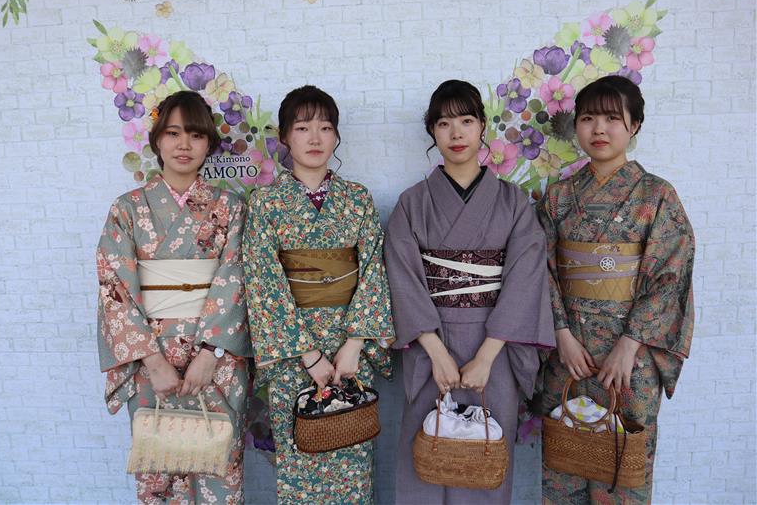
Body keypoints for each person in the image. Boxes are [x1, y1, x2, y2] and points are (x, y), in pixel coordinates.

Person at [384, 79, 555, 504]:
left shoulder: (513, 203)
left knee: (484, 456)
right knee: (426, 454)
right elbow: (402, 277)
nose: (456, 133)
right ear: (432, 132)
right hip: (431, 344)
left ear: (482, 126)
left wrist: (486, 356)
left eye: (465, 121)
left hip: (495, 346)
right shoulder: (412, 203)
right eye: (443, 123)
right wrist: (436, 353)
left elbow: (526, 277)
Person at [536, 75, 695, 504]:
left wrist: (630, 343)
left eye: (611, 118)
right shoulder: (559, 197)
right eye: (588, 118)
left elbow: (670, 276)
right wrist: (561, 334)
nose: (599, 129)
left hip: (630, 360)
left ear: (635, 125)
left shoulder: (657, 196)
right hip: (569, 356)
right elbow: (540, 269)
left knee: (624, 472)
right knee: (564, 465)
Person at [242, 85, 394, 504]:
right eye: (302, 128)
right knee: (300, 464)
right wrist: (309, 356)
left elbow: (373, 271)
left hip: (350, 353)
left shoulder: (357, 199)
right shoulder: (266, 203)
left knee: (353, 461)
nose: (314, 138)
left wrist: (355, 344)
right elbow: (262, 281)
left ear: (336, 136)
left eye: (325, 128)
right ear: (284, 137)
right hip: (294, 356)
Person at [97, 90, 251, 504]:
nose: (184, 145)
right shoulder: (127, 209)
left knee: (220, 468)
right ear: (157, 140)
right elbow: (115, 288)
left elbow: (236, 277)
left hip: (216, 359)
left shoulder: (230, 207)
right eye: (173, 133)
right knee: (159, 468)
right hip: (151, 359)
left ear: (209, 144)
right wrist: (153, 361)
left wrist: (210, 353)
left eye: (196, 135)